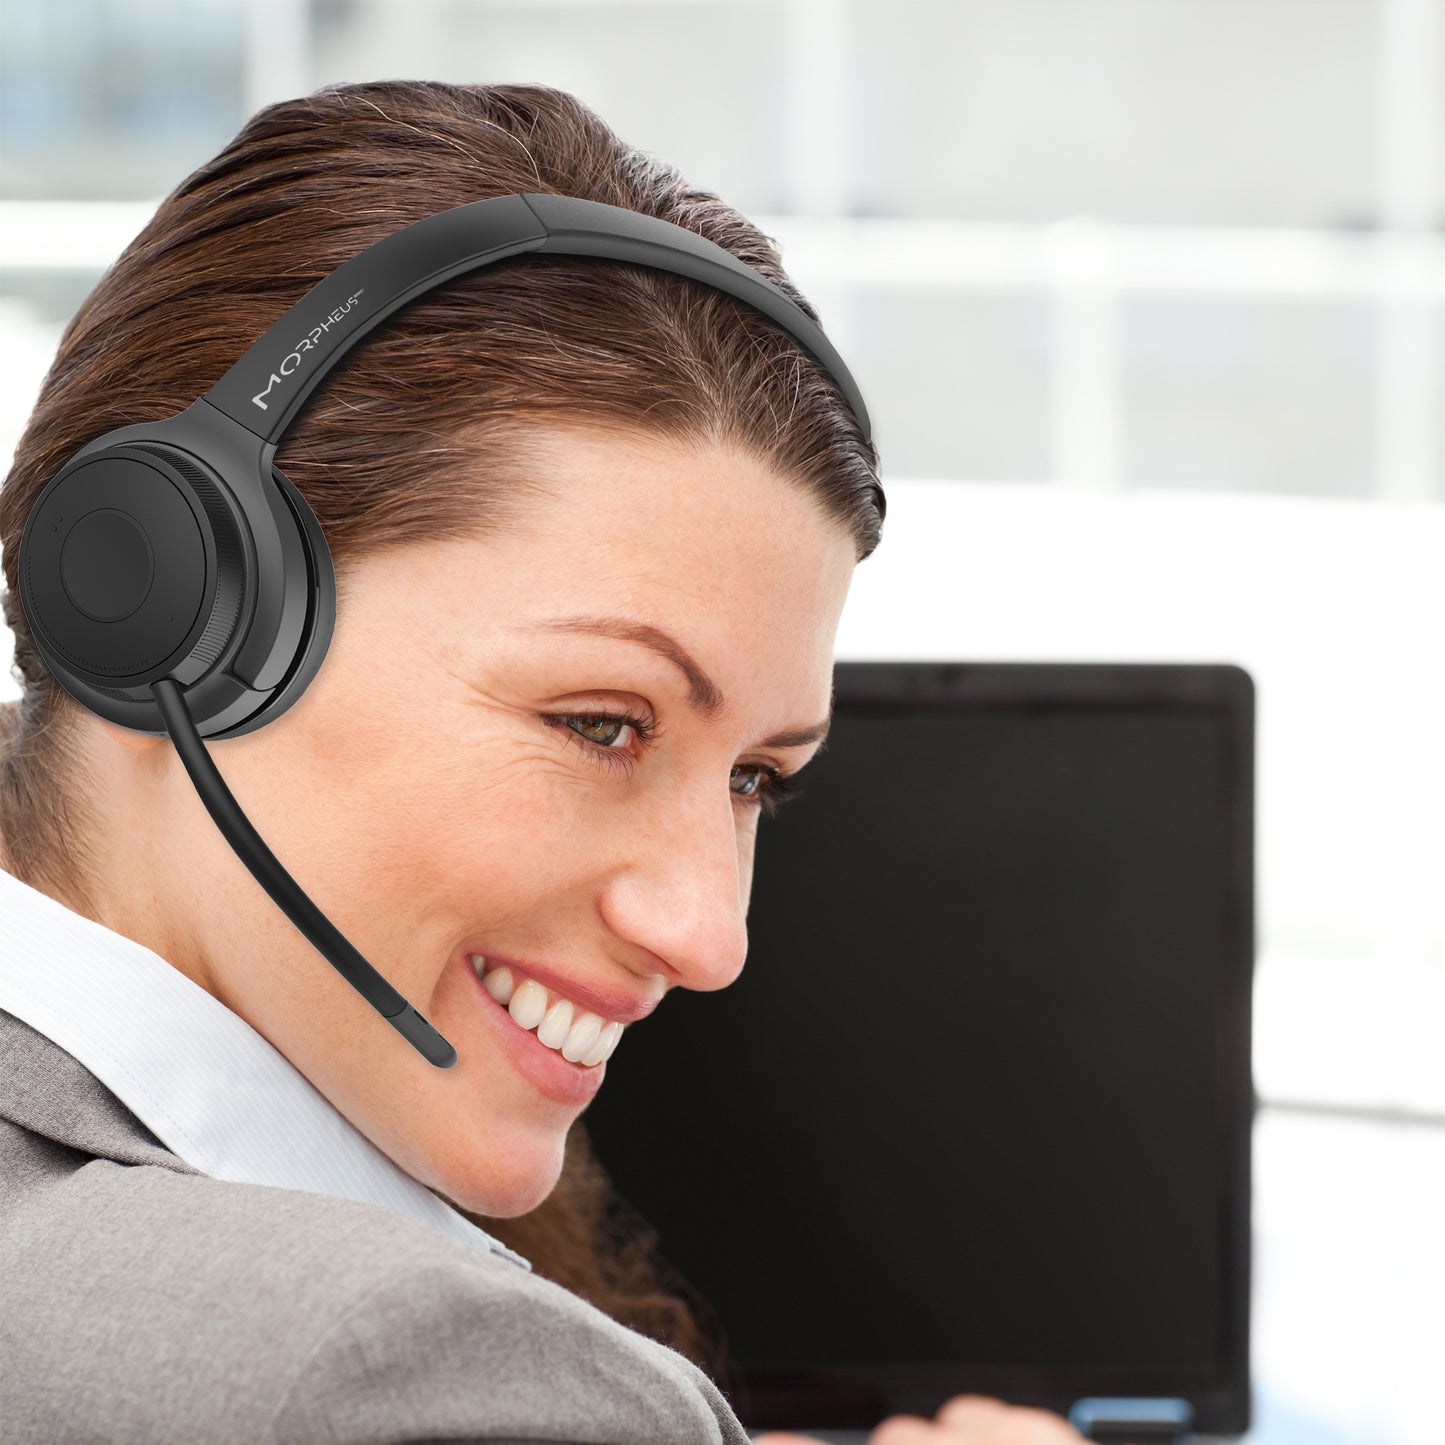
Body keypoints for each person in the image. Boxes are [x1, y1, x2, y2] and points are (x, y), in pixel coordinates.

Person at [0, 80, 1083, 1444]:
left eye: (756, 777)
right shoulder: (411, 1376)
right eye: (602, 723)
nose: (707, 935)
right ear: (164, 612)